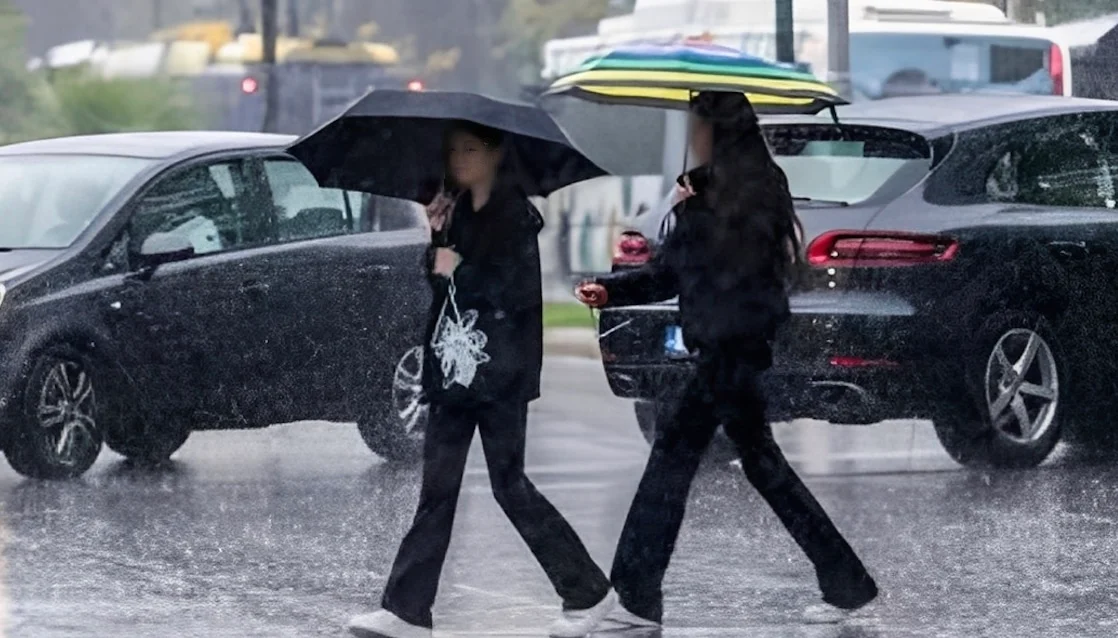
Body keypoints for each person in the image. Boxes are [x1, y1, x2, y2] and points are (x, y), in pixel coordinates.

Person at [573, 91, 878, 629]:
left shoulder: (729, 201)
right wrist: (613, 291)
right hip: (734, 349)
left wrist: (685, 212)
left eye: (698, 126)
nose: (691, 137)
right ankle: (845, 581)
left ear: (719, 131)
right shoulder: (744, 193)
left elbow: (712, 272)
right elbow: (673, 275)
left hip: (725, 352)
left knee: (671, 462)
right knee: (761, 466)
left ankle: (638, 598)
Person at [348, 121, 617, 638]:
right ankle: (406, 610)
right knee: (437, 491)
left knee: (509, 486)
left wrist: (454, 253)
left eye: (471, 150)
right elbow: (442, 282)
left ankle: (588, 593)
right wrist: (438, 233)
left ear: (496, 156)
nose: (459, 160)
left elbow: (501, 297)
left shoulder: (513, 217)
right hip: (453, 373)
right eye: (453, 151)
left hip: (499, 375)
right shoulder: (460, 213)